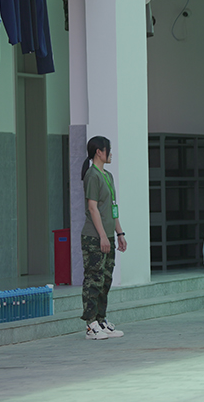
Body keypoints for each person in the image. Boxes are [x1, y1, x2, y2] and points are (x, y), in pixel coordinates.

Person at [80, 136, 127, 340]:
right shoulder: (92, 176)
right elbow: (93, 208)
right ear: (99, 152)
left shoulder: (108, 176)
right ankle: (90, 324)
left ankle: (101, 320)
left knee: (105, 280)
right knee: (94, 280)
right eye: (108, 149)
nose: (111, 153)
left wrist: (119, 233)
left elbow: (112, 208)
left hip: (107, 236)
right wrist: (102, 236)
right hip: (94, 237)